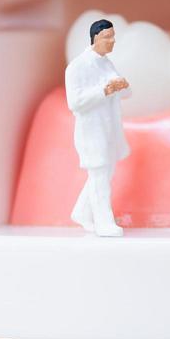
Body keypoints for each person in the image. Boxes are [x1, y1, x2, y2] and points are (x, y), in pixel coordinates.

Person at [64, 18, 132, 237]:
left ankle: (81, 212)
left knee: (103, 175)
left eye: (113, 37)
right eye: (107, 37)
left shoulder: (106, 63)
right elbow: (75, 102)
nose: (112, 41)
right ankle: (104, 222)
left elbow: (124, 94)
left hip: (109, 129)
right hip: (91, 132)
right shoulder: (77, 67)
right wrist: (104, 90)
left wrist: (121, 86)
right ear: (95, 38)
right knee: (100, 178)